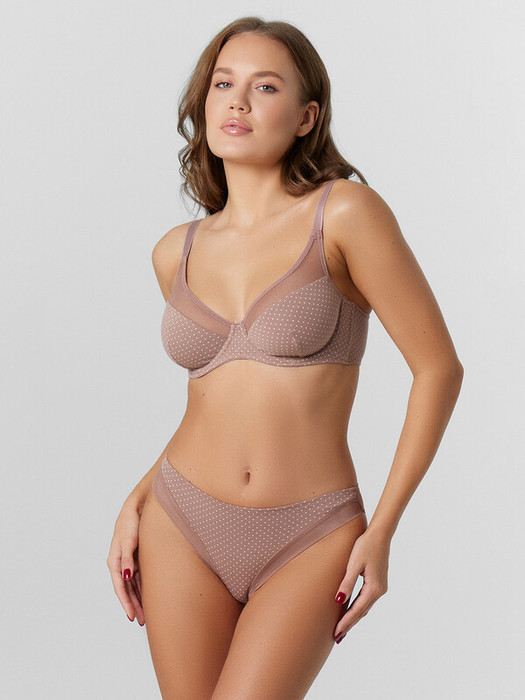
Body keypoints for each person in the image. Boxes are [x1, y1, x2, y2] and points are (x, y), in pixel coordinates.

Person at [107, 16, 463, 699]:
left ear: (306, 117)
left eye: (265, 87)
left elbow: (438, 369)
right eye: (223, 84)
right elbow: (212, 404)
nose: (238, 102)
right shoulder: (174, 252)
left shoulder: (345, 214)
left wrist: (383, 529)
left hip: (310, 530)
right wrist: (138, 497)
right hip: (180, 520)